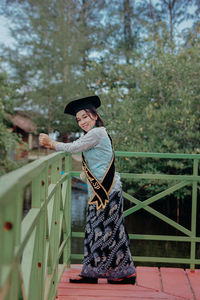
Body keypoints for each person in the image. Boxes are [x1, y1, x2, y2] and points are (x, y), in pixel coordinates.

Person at [39, 95, 136, 284]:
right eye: (79, 119)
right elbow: (85, 154)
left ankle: (116, 273)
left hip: (107, 193)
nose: (82, 121)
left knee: (104, 232)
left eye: (85, 116)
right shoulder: (93, 135)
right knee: (103, 232)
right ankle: (109, 273)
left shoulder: (97, 133)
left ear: (94, 115)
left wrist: (51, 143)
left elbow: (74, 148)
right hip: (101, 193)